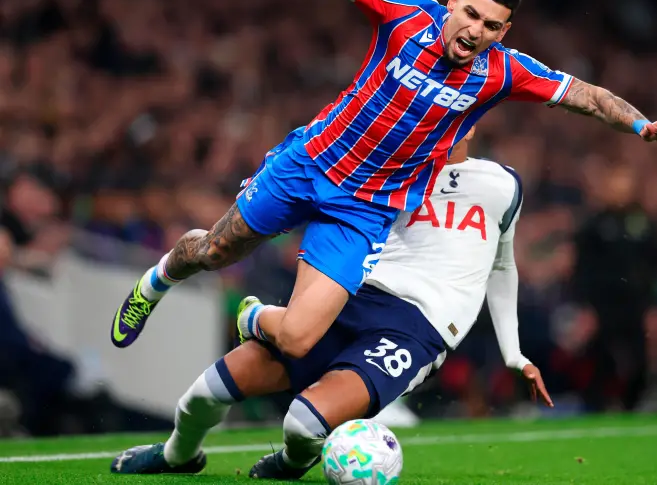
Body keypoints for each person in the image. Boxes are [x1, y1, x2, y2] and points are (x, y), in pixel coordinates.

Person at [110, 0, 657, 358]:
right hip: (308, 165)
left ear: (504, 31)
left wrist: (644, 125)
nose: (474, 31)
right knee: (213, 251)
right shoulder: (407, 12)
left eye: (491, 25)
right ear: (452, 1)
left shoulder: (505, 72)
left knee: (296, 338)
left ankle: (252, 317)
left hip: (364, 208)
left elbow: (585, 96)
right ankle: (156, 282)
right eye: (469, 13)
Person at [110, 129, 553, 477]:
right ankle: (177, 456)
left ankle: (291, 449)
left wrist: (513, 354)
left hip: (418, 328)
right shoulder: (387, 169)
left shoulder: (502, 185)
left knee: (302, 426)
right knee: (203, 395)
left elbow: (501, 266)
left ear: (470, 124)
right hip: (354, 299)